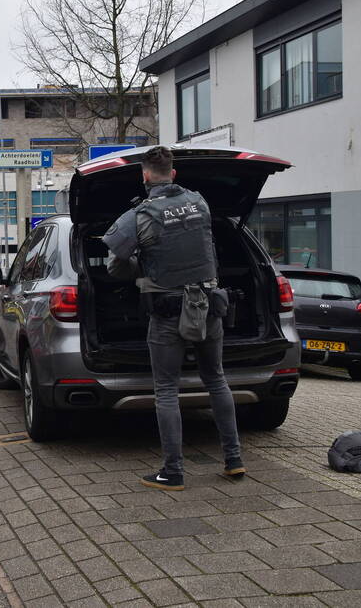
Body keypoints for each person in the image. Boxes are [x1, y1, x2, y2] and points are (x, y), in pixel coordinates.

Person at [102, 147, 244, 492]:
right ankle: (234, 460)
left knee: (166, 389)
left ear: (145, 176)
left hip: (168, 312)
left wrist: (139, 267)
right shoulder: (200, 203)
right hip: (209, 305)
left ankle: (173, 472)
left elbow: (114, 265)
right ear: (174, 174)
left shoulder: (139, 216)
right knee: (216, 379)